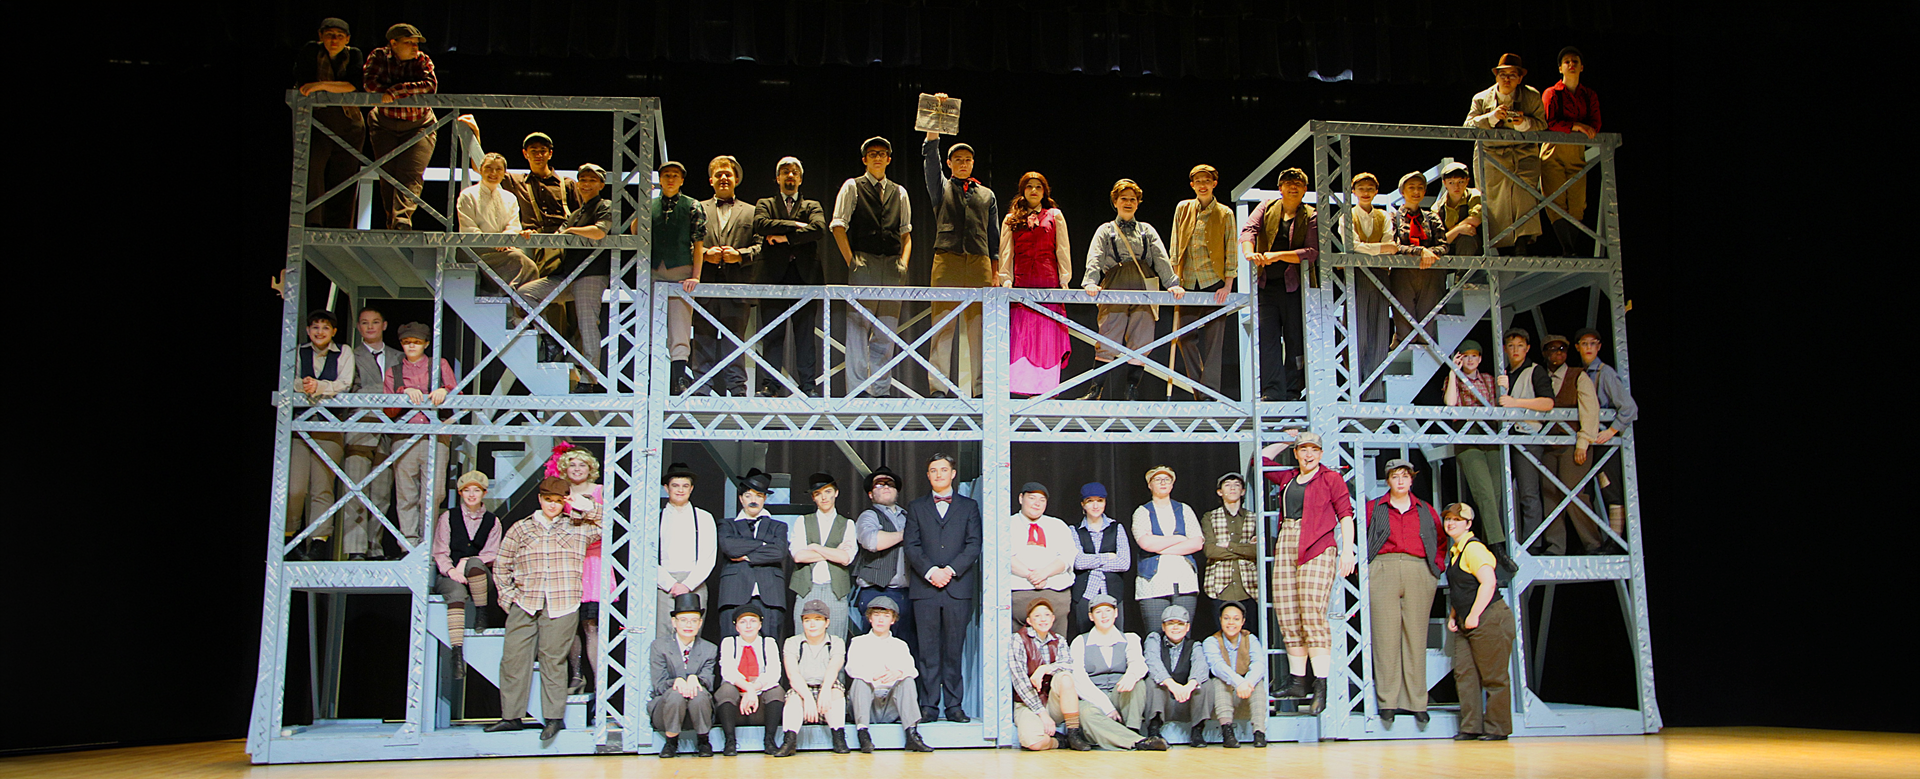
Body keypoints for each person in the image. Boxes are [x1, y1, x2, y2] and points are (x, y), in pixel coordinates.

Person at [487, 477, 601, 740]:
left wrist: (581, 504)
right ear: (540, 499)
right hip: (525, 601)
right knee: (514, 659)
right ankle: (511, 717)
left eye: (559, 500)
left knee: (553, 660)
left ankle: (553, 718)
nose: (553, 505)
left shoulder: (578, 526)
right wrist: (508, 598)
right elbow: (501, 566)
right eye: (549, 500)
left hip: (562, 603)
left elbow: (613, 524)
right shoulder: (520, 528)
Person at [1258, 432, 1357, 714]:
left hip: (1317, 544)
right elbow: (1261, 461)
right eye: (1303, 449)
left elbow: (1345, 514)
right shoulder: (1288, 476)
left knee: (1312, 611)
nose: (1308, 454)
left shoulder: (1330, 478)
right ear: (1297, 452)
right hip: (1288, 540)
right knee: (1287, 610)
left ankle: (1321, 685)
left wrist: (1348, 550)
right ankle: (1298, 680)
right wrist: (1285, 441)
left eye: (1314, 449)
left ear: (1321, 453)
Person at [1083, 179, 1186, 401]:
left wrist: (1172, 283)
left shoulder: (1147, 230)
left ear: (1138, 203)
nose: (1128, 203)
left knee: (1142, 335)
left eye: (1132, 199)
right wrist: (1091, 281)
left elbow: (1160, 257)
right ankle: (1095, 390)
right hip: (1115, 281)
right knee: (1109, 333)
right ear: (1115, 202)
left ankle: (1132, 389)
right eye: (1123, 199)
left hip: (1143, 283)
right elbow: (1095, 256)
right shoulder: (1106, 229)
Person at [515, 163, 614, 387]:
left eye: (591, 180)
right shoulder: (576, 213)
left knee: (587, 324)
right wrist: (531, 234)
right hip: (568, 274)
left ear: (601, 184)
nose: (586, 184)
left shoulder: (605, 205)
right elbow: (555, 237)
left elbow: (600, 231)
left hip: (590, 273)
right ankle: (551, 339)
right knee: (525, 293)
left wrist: (571, 231)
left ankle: (589, 379)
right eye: (583, 180)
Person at [1363, 459, 1444, 727]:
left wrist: (1436, 567)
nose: (1400, 481)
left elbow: (1440, 540)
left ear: (1411, 480)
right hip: (1384, 568)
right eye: (1395, 476)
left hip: (1417, 569)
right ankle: (1388, 701)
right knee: (1385, 636)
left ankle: (1417, 702)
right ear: (1387, 480)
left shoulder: (1425, 510)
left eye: (1405, 476)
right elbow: (1357, 537)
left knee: (1416, 636)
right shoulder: (1374, 508)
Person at [831, 137, 914, 398]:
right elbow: (838, 225)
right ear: (865, 159)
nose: (877, 157)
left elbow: (906, 233)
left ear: (889, 159)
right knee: (858, 328)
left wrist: (903, 263)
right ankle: (857, 391)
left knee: (886, 330)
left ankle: (880, 390)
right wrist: (852, 261)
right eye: (872, 153)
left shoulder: (899, 192)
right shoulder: (852, 187)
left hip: (891, 265)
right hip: (864, 261)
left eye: (882, 153)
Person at [922, 122, 1000, 399]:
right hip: (947, 260)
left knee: (979, 329)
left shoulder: (987, 194)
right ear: (950, 163)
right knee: (942, 324)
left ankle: (980, 389)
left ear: (973, 163)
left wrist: (995, 273)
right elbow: (930, 162)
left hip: (978, 263)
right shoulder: (941, 188)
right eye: (958, 160)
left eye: (967, 160)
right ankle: (939, 388)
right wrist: (933, 132)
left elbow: (994, 238)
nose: (963, 164)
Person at [903, 452, 981, 723]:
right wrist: (930, 572)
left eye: (943, 469)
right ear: (927, 475)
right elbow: (911, 545)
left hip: (957, 587)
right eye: (933, 470)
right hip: (925, 589)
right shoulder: (916, 507)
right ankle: (928, 706)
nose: (938, 474)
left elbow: (974, 544)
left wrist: (949, 571)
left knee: (953, 650)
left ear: (953, 473)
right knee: (927, 651)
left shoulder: (969, 506)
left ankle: (954, 706)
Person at [1238, 169, 1319, 401]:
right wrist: (1250, 253)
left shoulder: (1310, 215)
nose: (1293, 187)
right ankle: (1272, 392)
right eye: (1288, 183)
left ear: (1305, 189)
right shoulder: (1267, 207)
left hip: (1295, 289)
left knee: (1295, 339)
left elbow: (1312, 252)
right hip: (1267, 286)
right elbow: (1248, 230)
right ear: (1280, 188)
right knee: (1267, 339)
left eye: (1298, 184)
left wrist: (1279, 255)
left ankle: (1294, 391)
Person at [753, 156, 829, 396]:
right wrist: (796, 225)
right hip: (773, 275)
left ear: (800, 178)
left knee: (805, 336)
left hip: (805, 276)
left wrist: (785, 237)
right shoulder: (765, 203)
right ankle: (770, 385)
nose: (790, 176)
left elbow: (818, 228)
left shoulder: (812, 205)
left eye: (794, 172)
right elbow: (761, 224)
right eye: (785, 172)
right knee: (772, 334)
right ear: (777, 178)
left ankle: (808, 386)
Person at [692, 155, 764, 397]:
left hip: (738, 286)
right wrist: (703, 253)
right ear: (711, 180)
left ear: (736, 180)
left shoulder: (752, 211)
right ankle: (702, 389)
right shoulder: (697, 208)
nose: (724, 178)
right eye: (719, 174)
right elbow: (685, 243)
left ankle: (737, 391)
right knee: (702, 339)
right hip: (705, 286)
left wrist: (740, 255)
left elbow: (761, 246)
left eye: (728, 174)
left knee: (736, 340)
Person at [996, 171, 1073, 397]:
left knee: (1047, 337)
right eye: (1029, 186)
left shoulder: (1054, 215)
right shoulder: (1011, 218)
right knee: (1023, 336)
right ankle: (1022, 388)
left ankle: (1046, 389)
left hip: (1048, 284)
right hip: (1021, 285)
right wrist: (1006, 280)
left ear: (1044, 192)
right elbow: (1006, 252)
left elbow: (1062, 249)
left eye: (1038, 187)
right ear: (1023, 191)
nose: (1033, 191)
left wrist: (1064, 281)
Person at [1443, 503, 1515, 741]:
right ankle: (1471, 726)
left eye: (1457, 519)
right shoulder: (1455, 552)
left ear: (1468, 524)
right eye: (1448, 519)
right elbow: (1463, 587)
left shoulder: (1474, 549)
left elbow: (1488, 582)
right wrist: (1455, 614)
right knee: (1465, 674)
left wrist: (1473, 615)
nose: (1451, 523)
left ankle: (1498, 728)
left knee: (1494, 676)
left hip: (1489, 617)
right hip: (1467, 620)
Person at [1465, 53, 1548, 254]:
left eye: (1512, 75)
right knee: (1493, 199)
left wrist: (1523, 123)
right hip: (1491, 154)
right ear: (1496, 76)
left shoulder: (1531, 96)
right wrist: (1491, 118)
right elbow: (1467, 127)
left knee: (1524, 193)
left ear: (1520, 78)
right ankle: (1498, 245)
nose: (1507, 79)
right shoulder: (1482, 98)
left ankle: (1523, 242)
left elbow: (1542, 124)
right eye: (1503, 74)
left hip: (1523, 152)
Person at [383, 322, 455, 550]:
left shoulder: (438, 364)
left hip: (435, 435)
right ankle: (408, 545)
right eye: (406, 342)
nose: (411, 346)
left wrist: (444, 390)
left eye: (415, 342)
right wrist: (403, 392)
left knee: (435, 493)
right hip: (405, 436)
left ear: (425, 343)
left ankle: (428, 543)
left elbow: (457, 391)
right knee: (406, 493)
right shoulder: (394, 371)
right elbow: (388, 409)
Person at [1169, 165, 1238, 400]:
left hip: (1214, 281)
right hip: (1187, 281)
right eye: (1198, 181)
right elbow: (1176, 245)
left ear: (1214, 183)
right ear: (1192, 185)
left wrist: (1228, 284)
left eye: (1207, 180)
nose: (1202, 184)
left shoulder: (1225, 213)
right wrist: (1174, 279)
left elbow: (1231, 249)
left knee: (1214, 340)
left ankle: (1209, 391)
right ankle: (1200, 389)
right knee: (1184, 337)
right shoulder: (1183, 208)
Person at [288, 310, 353, 560]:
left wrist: (321, 387)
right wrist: (305, 386)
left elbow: (344, 383)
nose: (319, 332)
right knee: (295, 487)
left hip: (329, 425)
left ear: (333, 331)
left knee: (322, 486)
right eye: (315, 327)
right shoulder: (298, 351)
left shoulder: (342, 352)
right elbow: (289, 380)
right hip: (300, 425)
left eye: (325, 328)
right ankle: (290, 535)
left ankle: (319, 540)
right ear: (308, 331)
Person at [361, 23, 438, 230]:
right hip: (384, 123)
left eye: (416, 43)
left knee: (410, 173)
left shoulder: (422, 59)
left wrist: (395, 91)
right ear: (393, 44)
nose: (415, 47)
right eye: (409, 43)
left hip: (419, 124)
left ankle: (402, 220)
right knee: (387, 174)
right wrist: (398, 92)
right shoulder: (378, 56)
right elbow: (369, 84)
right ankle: (391, 222)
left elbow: (430, 85)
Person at [1068, 595, 1169, 751]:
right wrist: (1107, 707)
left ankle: (1132, 729)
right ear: (1091, 616)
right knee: (1086, 713)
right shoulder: (1080, 641)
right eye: (1098, 612)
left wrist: (1131, 675)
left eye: (1108, 611)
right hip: (1093, 698)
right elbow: (1079, 679)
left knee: (1138, 683)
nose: (1104, 615)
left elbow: (1139, 664)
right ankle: (1137, 741)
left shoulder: (1129, 638)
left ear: (1116, 613)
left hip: (1119, 694)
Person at [293, 17, 365, 229]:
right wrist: (323, 86)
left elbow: (354, 85)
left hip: (349, 122)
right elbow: (304, 84)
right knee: (313, 170)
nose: (335, 40)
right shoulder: (311, 51)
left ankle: (340, 226)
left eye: (340, 36)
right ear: (320, 36)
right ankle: (312, 222)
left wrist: (322, 85)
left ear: (347, 39)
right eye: (330, 35)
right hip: (318, 121)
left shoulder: (354, 54)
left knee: (346, 175)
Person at [342, 307, 401, 560]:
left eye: (375, 322)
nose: (370, 327)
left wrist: (379, 391)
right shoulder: (350, 356)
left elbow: (406, 386)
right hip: (361, 427)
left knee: (381, 493)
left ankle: (374, 547)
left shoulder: (398, 357)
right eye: (365, 323)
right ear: (358, 327)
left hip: (388, 430)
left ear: (384, 325)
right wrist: (385, 390)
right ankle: (355, 548)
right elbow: (350, 389)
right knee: (354, 491)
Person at [546, 443, 606, 693]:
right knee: (569, 623)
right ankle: (576, 676)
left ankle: (600, 682)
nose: (578, 468)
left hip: (595, 561)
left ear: (590, 468)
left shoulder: (601, 490)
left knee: (591, 625)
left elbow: (611, 521)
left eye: (582, 464)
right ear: (564, 468)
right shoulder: (560, 492)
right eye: (572, 464)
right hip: (567, 563)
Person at [432, 470, 503, 679]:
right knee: (454, 593)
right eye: (467, 491)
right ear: (461, 493)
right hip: (451, 574)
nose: (472, 495)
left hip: (478, 576)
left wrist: (468, 561)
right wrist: (452, 570)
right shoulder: (449, 517)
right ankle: (457, 652)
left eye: (476, 490)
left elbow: (492, 553)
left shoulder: (492, 521)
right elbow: (440, 550)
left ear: (483, 493)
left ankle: (482, 613)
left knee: (474, 563)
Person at [1537, 333, 1600, 555]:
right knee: (1550, 495)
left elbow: (1590, 409)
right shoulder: (1540, 375)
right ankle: (1555, 546)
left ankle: (1593, 543)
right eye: (1552, 350)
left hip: (1572, 444)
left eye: (1561, 349)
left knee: (1574, 494)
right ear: (1545, 353)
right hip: (1548, 445)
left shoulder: (1578, 376)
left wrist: (1583, 441)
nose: (1557, 354)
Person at [845, 597, 935, 752]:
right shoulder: (859, 642)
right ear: (870, 618)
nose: (881, 620)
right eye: (877, 615)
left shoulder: (900, 645)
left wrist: (898, 673)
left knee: (907, 680)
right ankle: (863, 733)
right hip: (867, 703)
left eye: (886, 616)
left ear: (893, 621)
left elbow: (912, 670)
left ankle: (912, 734)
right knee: (860, 681)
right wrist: (872, 675)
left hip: (890, 705)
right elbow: (851, 669)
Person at [1574, 326, 1637, 547]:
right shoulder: (1582, 373)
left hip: (1604, 441)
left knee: (1610, 489)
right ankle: (1598, 541)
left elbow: (1629, 408)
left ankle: (1615, 540)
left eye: (1593, 344)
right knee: (1587, 490)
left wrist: (1611, 431)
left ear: (1599, 346)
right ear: (1578, 347)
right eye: (1584, 343)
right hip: (1590, 441)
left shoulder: (1604, 373)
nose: (1589, 348)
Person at [1494, 327, 1556, 550]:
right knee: (1501, 493)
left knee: (1528, 493)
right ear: (1505, 349)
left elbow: (1548, 403)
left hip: (1528, 435)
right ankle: (1504, 544)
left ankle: (1533, 544)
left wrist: (1515, 402)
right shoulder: (1504, 374)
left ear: (1527, 348)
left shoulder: (1535, 371)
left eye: (1520, 346)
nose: (1516, 350)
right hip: (1506, 437)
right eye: (1511, 346)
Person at [649, 161, 708, 393]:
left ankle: (679, 378)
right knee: (652, 325)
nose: (670, 179)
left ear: (682, 180)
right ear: (660, 179)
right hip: (653, 271)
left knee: (680, 326)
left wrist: (696, 276)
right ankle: (652, 379)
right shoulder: (650, 206)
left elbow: (698, 244)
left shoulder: (691, 205)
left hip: (680, 270)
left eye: (675, 176)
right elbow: (635, 232)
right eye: (666, 175)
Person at [1010, 600, 1094, 751]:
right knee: (1033, 743)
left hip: (1053, 702)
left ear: (1053, 618)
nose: (1043, 619)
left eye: (1047, 615)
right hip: (1028, 704)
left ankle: (1073, 733)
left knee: (1065, 677)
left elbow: (1069, 665)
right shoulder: (1018, 640)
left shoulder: (1059, 640)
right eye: (1037, 616)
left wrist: (1045, 668)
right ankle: (1059, 742)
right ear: (1029, 621)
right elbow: (1020, 681)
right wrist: (1041, 713)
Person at [1541, 47, 1602, 256]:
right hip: (1554, 150)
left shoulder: (1588, 94)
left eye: (1575, 61)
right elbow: (1548, 122)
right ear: (1560, 68)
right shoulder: (1552, 93)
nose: (1571, 64)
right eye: (1566, 62)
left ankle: (1571, 247)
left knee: (1577, 202)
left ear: (1582, 67)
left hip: (1576, 151)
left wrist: (1584, 128)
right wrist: (1575, 126)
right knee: (1555, 199)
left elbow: (1595, 123)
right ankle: (1567, 248)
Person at [1444, 339, 1506, 544]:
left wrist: (1505, 387)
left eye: (1474, 356)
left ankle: (1489, 546)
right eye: (1466, 356)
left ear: (1479, 359)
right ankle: (1498, 545)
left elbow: (1499, 406)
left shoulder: (1488, 379)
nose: (1470, 360)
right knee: (1485, 493)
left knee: (1496, 495)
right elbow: (1450, 403)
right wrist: (1454, 371)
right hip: (1467, 433)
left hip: (1490, 433)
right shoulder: (1454, 378)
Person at [1339, 172, 1394, 399]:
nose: (1366, 192)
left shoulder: (1384, 216)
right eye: (1361, 188)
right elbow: (1351, 246)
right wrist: (1379, 249)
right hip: (1357, 276)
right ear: (1354, 192)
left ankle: (1374, 390)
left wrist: (1371, 249)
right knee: (1356, 330)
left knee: (1379, 329)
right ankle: (1355, 387)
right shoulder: (1347, 216)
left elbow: (1391, 243)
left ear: (1376, 191)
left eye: (1370, 188)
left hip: (1381, 275)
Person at [717, 469, 790, 641]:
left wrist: (747, 555)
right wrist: (763, 545)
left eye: (758, 496)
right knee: (730, 647)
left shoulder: (778, 526)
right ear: (741, 498)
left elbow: (779, 551)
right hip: (734, 595)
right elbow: (730, 548)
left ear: (764, 498)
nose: (753, 501)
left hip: (770, 597)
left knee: (770, 648)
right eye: (749, 496)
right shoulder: (727, 525)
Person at [1133, 466, 1205, 631]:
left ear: (1172, 484)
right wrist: (1179, 539)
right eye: (1157, 480)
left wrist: (1160, 547)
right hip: (1153, 582)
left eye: (1167, 479)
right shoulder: (1142, 512)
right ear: (1150, 485)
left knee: (1182, 634)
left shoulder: (1184, 509)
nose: (1163, 483)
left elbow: (1196, 543)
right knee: (1155, 635)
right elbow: (1146, 544)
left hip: (1184, 581)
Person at [1385, 172, 1452, 349]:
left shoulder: (1432, 217)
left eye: (1420, 188)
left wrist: (1430, 253)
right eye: (1411, 188)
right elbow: (1393, 245)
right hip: (1403, 275)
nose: (1416, 192)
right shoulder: (1392, 217)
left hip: (1430, 274)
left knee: (1426, 330)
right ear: (1402, 192)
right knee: (1406, 330)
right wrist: (1420, 251)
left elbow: (1444, 245)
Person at [456, 152, 538, 295]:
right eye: (489, 168)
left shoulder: (510, 197)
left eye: (498, 169)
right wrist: (496, 242)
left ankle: (520, 306)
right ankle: (518, 304)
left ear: (504, 173)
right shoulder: (468, 195)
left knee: (527, 264)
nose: (493, 173)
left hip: (504, 250)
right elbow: (468, 229)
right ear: (481, 170)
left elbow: (513, 226)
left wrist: (504, 239)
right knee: (520, 261)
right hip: (476, 250)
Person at [648, 592, 718, 757]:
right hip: (666, 707)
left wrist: (696, 679)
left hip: (698, 708)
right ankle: (671, 742)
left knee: (699, 693)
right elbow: (658, 684)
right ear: (674, 622)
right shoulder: (659, 646)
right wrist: (677, 682)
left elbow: (709, 680)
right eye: (684, 620)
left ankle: (703, 740)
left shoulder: (709, 648)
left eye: (694, 620)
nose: (689, 625)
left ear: (700, 623)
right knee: (676, 694)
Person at [776, 600, 850, 756]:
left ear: (827, 622)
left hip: (826, 686)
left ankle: (839, 737)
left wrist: (824, 691)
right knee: (794, 699)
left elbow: (833, 668)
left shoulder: (836, 642)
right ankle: (789, 741)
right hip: (803, 688)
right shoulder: (792, 642)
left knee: (835, 693)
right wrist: (808, 698)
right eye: (807, 620)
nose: (812, 625)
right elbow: (793, 674)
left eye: (817, 620)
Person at [852, 466, 915, 649]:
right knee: (872, 648)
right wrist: (907, 534)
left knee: (904, 648)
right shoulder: (869, 516)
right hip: (876, 591)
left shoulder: (909, 516)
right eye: (879, 484)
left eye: (890, 483)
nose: (886, 487)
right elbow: (873, 542)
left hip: (905, 593)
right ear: (871, 494)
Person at [791, 473, 857, 640]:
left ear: (836, 493)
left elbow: (845, 558)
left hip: (835, 591)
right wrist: (833, 552)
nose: (824, 497)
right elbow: (799, 556)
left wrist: (814, 547)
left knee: (835, 643)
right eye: (818, 494)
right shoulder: (802, 521)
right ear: (813, 498)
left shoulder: (847, 524)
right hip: (807, 588)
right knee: (803, 642)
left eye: (827, 492)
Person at [656, 462, 717, 640]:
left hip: (695, 582)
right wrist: (670, 584)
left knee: (692, 635)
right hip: (664, 584)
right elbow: (649, 557)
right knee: (664, 636)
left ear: (691, 489)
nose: (680, 490)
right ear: (666, 488)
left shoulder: (704, 517)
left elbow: (708, 557)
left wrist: (687, 585)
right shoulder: (656, 517)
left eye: (685, 486)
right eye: (675, 486)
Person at [715, 607, 785, 756]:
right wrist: (748, 689)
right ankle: (730, 741)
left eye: (753, 621)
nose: (748, 626)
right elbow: (728, 672)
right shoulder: (729, 642)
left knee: (777, 690)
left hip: (760, 703)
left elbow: (774, 673)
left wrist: (754, 689)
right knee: (726, 690)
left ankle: (769, 740)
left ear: (760, 625)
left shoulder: (768, 642)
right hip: (736, 704)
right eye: (743, 622)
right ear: (736, 626)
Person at [1007, 482, 1076, 631]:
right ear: (1021, 498)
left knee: (1055, 645)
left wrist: (1044, 573)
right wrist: (1031, 575)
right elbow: (1004, 556)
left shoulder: (1058, 525)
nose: (1037, 504)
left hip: (1054, 591)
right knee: (1019, 646)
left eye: (1042, 500)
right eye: (1032, 498)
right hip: (1019, 592)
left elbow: (1067, 557)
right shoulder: (1006, 524)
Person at [1142, 605, 1213, 748]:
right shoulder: (1154, 639)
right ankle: (1154, 731)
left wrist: (1189, 686)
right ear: (1163, 626)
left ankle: (1197, 731)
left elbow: (1201, 666)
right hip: (1164, 702)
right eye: (1170, 623)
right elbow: (1152, 662)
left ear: (1187, 627)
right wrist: (1171, 685)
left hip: (1186, 702)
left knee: (1206, 683)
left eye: (1180, 624)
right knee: (1152, 682)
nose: (1175, 628)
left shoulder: (1194, 645)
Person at [1201, 602, 1269, 747]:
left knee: (1258, 682)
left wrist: (1247, 683)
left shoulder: (1250, 639)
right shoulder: (1211, 641)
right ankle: (1227, 731)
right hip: (1222, 699)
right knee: (1219, 682)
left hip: (1245, 694)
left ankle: (1259, 733)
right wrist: (1240, 683)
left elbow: (1259, 664)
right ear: (1220, 620)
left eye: (1236, 619)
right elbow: (1218, 666)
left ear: (1243, 622)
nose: (1231, 622)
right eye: (1227, 618)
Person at [1069, 482, 1132, 636]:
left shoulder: (1117, 528)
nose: (1095, 506)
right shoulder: (1074, 530)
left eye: (1100, 500)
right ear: (1083, 504)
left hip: (1113, 592)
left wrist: (1092, 562)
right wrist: (1108, 557)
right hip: (1084, 593)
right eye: (1090, 501)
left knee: (1116, 637)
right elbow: (1079, 562)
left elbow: (1124, 563)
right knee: (1084, 638)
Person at [1200, 472, 1259, 625]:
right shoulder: (1210, 517)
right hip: (1219, 586)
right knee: (1222, 633)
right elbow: (1210, 550)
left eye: (1237, 485)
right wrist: (1244, 548)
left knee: (1248, 633)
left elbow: (1257, 551)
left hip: (1248, 585)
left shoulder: (1253, 517)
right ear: (1220, 492)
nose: (1232, 488)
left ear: (1243, 491)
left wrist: (1229, 545)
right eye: (1227, 485)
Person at [1436, 162, 1485, 257]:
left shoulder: (1474, 195)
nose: (1456, 187)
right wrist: (1458, 229)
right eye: (1451, 183)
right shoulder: (1438, 207)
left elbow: (1475, 219)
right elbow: (1439, 242)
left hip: (1473, 249)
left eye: (1461, 182)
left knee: (1466, 238)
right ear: (1444, 183)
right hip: (1448, 248)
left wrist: (1450, 233)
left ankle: (1463, 272)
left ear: (1467, 181)